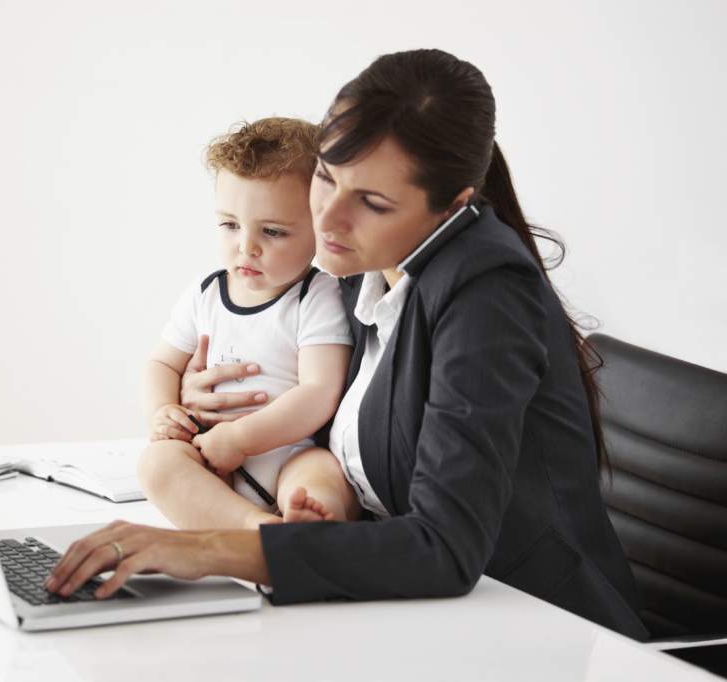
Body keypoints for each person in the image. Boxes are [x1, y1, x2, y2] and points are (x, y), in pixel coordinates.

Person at [45, 49, 649, 640]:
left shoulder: (486, 296)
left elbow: (445, 549)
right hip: (404, 612)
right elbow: (327, 398)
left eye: (372, 202)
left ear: (453, 206)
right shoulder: (360, 269)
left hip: (534, 629)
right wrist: (203, 393)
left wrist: (209, 549)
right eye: (326, 177)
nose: (327, 220)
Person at [139, 117, 359, 529]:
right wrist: (163, 410)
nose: (246, 246)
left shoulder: (317, 296)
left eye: (272, 231)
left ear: (320, 226)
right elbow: (162, 363)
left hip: (289, 452)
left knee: (322, 473)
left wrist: (242, 439)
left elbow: (319, 391)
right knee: (158, 464)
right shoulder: (205, 293)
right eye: (230, 225)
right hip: (209, 451)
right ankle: (253, 526)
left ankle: (307, 518)